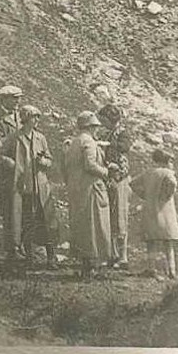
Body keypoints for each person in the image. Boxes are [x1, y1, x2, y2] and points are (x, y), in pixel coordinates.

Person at [63, 110, 112, 279]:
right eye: (95, 127)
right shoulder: (89, 142)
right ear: (90, 127)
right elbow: (90, 165)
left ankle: (86, 264)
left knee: (82, 226)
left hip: (77, 188)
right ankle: (93, 265)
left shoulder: (73, 143)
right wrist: (106, 172)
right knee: (95, 225)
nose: (96, 130)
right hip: (91, 188)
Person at [12, 105, 58, 268]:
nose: (37, 120)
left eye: (38, 117)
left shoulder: (41, 138)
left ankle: (51, 257)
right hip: (25, 186)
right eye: (34, 117)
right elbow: (5, 155)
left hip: (42, 186)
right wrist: (11, 165)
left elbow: (49, 160)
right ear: (25, 118)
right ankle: (29, 257)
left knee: (48, 221)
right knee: (27, 222)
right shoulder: (16, 138)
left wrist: (42, 162)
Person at [130, 148, 178, 278]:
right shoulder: (168, 173)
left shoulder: (148, 172)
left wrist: (144, 195)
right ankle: (172, 270)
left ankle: (151, 268)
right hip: (166, 211)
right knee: (168, 242)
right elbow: (173, 184)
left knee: (151, 241)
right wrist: (165, 195)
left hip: (150, 210)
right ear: (167, 161)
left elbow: (133, 183)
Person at [0, 84, 23, 261]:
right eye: (14, 98)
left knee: (22, 208)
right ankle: (10, 248)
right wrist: (6, 161)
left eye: (19, 98)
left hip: (22, 169)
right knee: (9, 208)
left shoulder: (21, 117)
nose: (17, 102)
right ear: (3, 99)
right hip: (6, 170)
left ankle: (22, 246)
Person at [104, 128, 132, 271]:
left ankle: (123, 256)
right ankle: (112, 253)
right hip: (110, 180)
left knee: (120, 218)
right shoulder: (107, 132)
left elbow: (125, 148)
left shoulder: (121, 132)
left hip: (120, 182)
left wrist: (109, 144)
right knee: (110, 216)